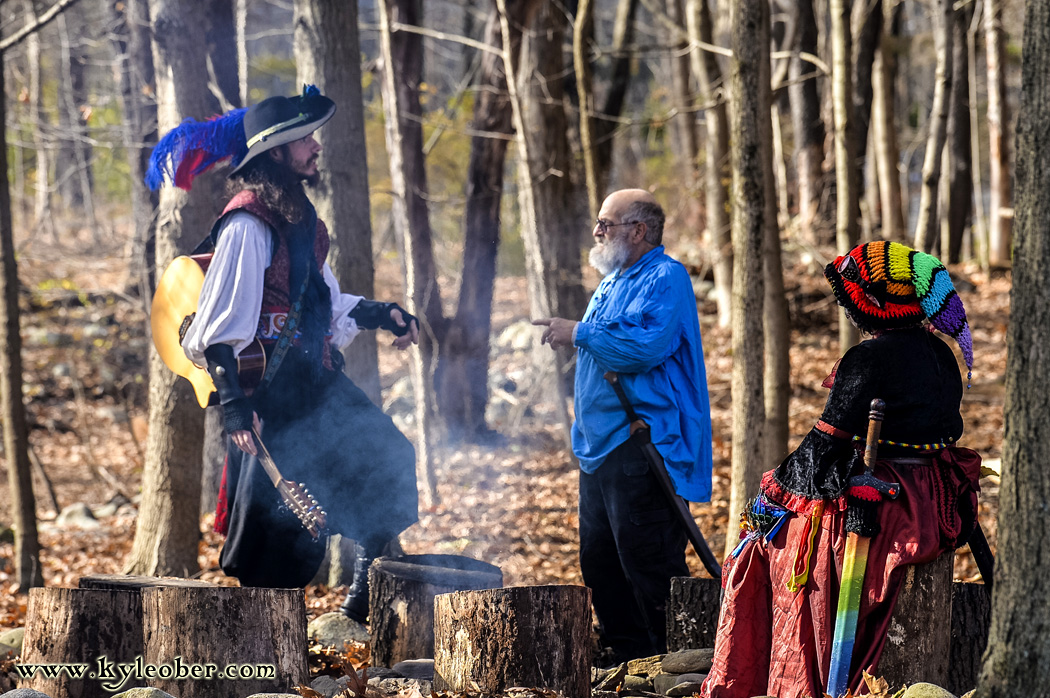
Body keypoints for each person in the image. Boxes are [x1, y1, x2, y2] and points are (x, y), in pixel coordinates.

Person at [146, 86, 420, 623]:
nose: (316, 146)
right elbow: (218, 325)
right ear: (277, 152)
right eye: (305, 139)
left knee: (386, 459)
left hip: (313, 382)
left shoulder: (302, 219)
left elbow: (323, 301)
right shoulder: (249, 224)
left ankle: (361, 592)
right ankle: (264, 649)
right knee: (274, 533)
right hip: (268, 392)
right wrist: (234, 408)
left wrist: (383, 312)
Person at [700, 241, 982, 698]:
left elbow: (823, 444)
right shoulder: (939, 352)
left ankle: (772, 673)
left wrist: (770, 491)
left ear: (871, 304)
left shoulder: (867, 359)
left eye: (850, 300)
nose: (847, 311)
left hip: (888, 509)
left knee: (767, 535)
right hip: (935, 495)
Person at [534, 189, 713, 663]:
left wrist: (580, 332)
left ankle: (675, 664)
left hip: (642, 442)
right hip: (599, 447)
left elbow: (645, 348)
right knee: (600, 561)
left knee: (648, 561)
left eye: (606, 224)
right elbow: (607, 341)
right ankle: (630, 661)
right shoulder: (614, 280)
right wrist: (574, 333)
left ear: (639, 231)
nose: (597, 232)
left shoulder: (666, 276)